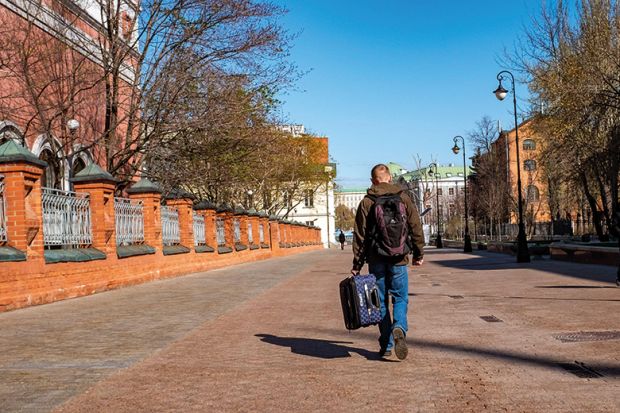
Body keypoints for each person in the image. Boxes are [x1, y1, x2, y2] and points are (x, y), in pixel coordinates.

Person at [350, 163, 425, 360]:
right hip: (400, 259)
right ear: (390, 178)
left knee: (380, 301)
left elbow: (360, 235)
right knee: (400, 298)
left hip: (376, 259)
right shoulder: (404, 198)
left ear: (373, 181)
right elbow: (415, 226)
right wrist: (419, 254)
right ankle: (399, 326)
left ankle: (386, 344)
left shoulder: (367, 202)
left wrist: (357, 264)